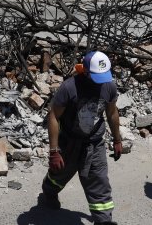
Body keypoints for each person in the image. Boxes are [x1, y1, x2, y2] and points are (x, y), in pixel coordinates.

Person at [41, 51, 123, 225]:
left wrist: (117, 139)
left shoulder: (109, 86)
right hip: (69, 142)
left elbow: (112, 112)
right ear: (85, 71)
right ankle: (49, 191)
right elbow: (54, 116)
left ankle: (104, 221)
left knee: (99, 181)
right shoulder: (69, 88)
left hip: (95, 143)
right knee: (59, 175)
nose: (101, 81)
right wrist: (54, 151)